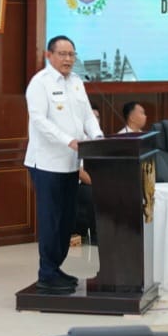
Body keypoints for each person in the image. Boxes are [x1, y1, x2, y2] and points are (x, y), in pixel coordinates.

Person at [24, 35, 103, 293]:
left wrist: (98, 137)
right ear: (49, 55)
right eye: (62, 54)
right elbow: (39, 121)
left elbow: (87, 115)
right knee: (51, 220)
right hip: (47, 164)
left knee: (67, 221)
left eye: (72, 54)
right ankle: (46, 273)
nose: (68, 59)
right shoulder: (40, 83)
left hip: (71, 164)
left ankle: (55, 267)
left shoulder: (77, 82)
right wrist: (68, 140)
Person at [72, 106, 100, 248]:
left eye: (97, 118)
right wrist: (99, 184)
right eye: (92, 118)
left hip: (97, 181)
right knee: (93, 193)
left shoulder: (99, 140)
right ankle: (96, 237)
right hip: (79, 184)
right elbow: (79, 171)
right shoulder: (76, 141)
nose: (95, 121)